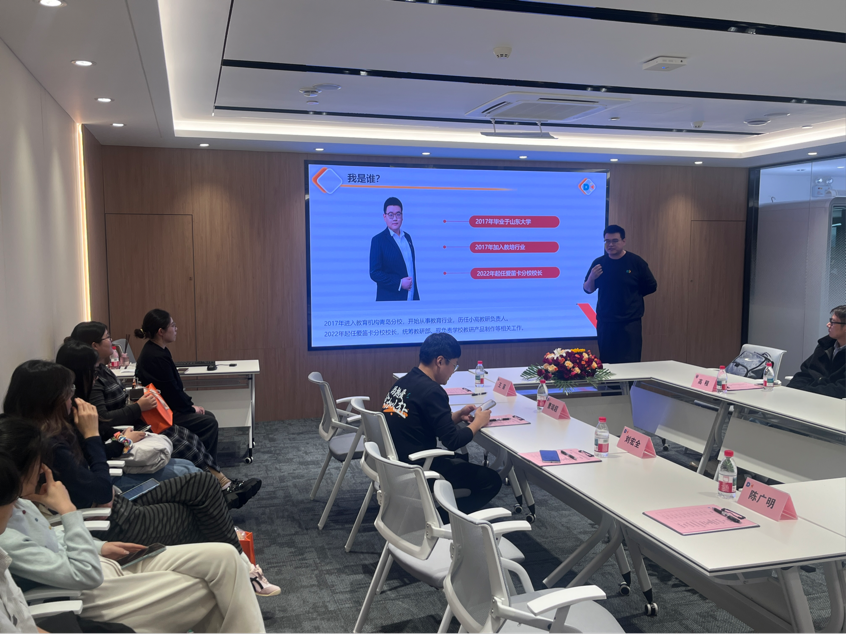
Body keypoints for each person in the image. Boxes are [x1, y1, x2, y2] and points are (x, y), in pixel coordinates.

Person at [1, 361, 280, 597]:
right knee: (201, 514)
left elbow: (94, 464)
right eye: (68, 392)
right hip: (114, 521)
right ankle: (243, 572)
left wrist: (111, 440)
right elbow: (101, 490)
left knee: (202, 483)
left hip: (117, 507)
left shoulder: (48, 432)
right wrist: (91, 434)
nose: (73, 397)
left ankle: (242, 567)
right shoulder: (47, 446)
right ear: (50, 400)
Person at [0, 417, 270, 632]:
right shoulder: (7, 534)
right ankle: (246, 568)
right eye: (37, 463)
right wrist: (68, 510)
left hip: (102, 554)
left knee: (225, 557)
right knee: (215, 587)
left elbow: (52, 537)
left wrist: (100, 547)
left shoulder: (20, 503)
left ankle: (242, 561)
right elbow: (84, 573)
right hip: (89, 589)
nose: (43, 469)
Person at [68, 322, 257, 508]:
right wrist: (137, 409)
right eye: (108, 337)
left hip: (132, 423)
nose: (111, 341)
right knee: (185, 444)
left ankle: (222, 485)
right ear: (94, 345)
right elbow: (104, 420)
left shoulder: (103, 370)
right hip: (127, 429)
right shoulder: (93, 382)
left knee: (189, 438)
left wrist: (136, 404)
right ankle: (221, 488)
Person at [132, 309, 261, 506]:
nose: (176, 328)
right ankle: (210, 478)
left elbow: (173, 390)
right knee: (208, 422)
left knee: (207, 418)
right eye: (172, 325)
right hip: (162, 415)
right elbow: (172, 392)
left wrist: (190, 405)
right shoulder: (155, 356)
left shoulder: (157, 351)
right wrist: (191, 408)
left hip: (166, 409)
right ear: (161, 331)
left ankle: (211, 473)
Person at [56, 340, 202, 492]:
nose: (96, 377)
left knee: (188, 464)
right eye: (93, 372)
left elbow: (102, 428)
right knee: (192, 472)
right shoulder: (71, 415)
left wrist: (121, 435)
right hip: (108, 475)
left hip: (112, 456)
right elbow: (94, 454)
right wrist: (124, 440)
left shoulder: (79, 403)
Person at [382, 333, 500, 518]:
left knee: (461, 462)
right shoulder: (433, 391)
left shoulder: (404, 382)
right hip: (417, 467)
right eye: (454, 365)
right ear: (440, 361)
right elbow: (452, 441)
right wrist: (478, 422)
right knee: (491, 481)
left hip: (395, 462)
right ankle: (442, 520)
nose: (453, 371)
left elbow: (421, 422)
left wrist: (456, 416)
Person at [583, 224, 657, 363]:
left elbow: (651, 286)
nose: (610, 244)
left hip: (630, 322)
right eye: (607, 241)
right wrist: (592, 277)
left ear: (624, 241)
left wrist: (631, 297)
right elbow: (588, 289)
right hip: (606, 321)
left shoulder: (636, 262)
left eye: (615, 241)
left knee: (630, 362)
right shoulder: (599, 263)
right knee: (607, 362)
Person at [787, 305, 846, 399]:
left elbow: (840, 389)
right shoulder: (825, 346)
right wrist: (792, 390)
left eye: (832, 322)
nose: (828, 324)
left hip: (832, 402)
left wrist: (806, 393)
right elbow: (806, 373)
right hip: (811, 396)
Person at [369, 196, 420, 301]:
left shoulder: (407, 238)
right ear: (384, 217)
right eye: (391, 215)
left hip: (411, 298)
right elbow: (375, 273)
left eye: (398, 214)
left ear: (402, 216)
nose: (395, 218)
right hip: (390, 301)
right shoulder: (378, 240)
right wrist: (399, 283)